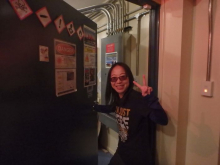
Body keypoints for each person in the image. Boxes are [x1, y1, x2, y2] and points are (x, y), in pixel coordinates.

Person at [94, 62, 168, 165]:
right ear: (110, 82)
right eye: (114, 78)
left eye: (123, 77)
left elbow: (162, 120)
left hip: (138, 158)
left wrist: (149, 98)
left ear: (129, 78)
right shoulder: (119, 99)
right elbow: (110, 108)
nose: (118, 81)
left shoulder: (137, 99)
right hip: (122, 152)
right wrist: (92, 107)